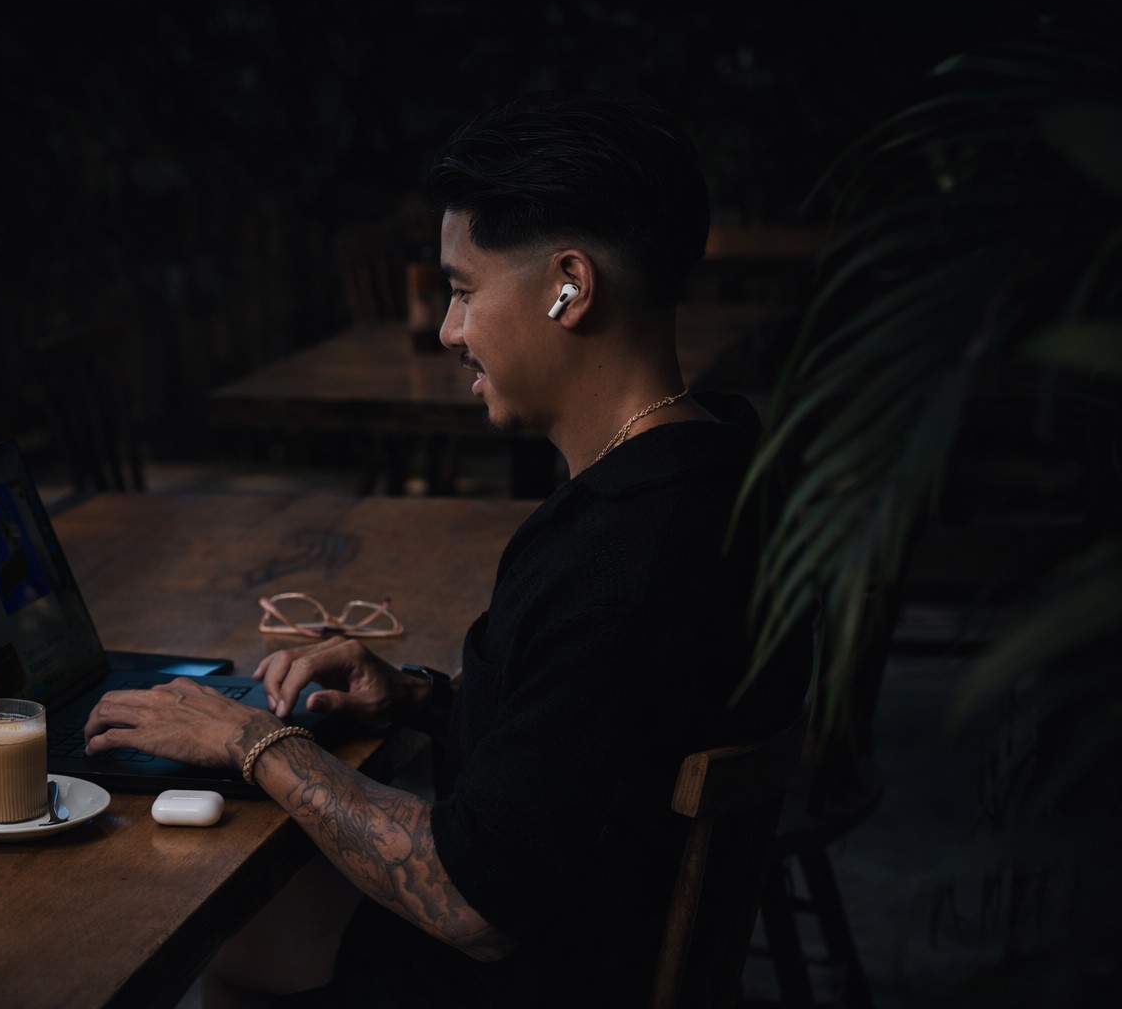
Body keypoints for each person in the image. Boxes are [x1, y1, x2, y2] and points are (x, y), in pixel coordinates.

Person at [83, 87, 808, 1006]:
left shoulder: (625, 552)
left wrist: (251, 738)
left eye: (464, 290)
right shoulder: (723, 465)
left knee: (215, 909)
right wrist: (420, 697)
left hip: (544, 974)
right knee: (265, 902)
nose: (449, 329)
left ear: (569, 286)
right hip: (606, 923)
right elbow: (601, 726)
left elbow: (473, 902)